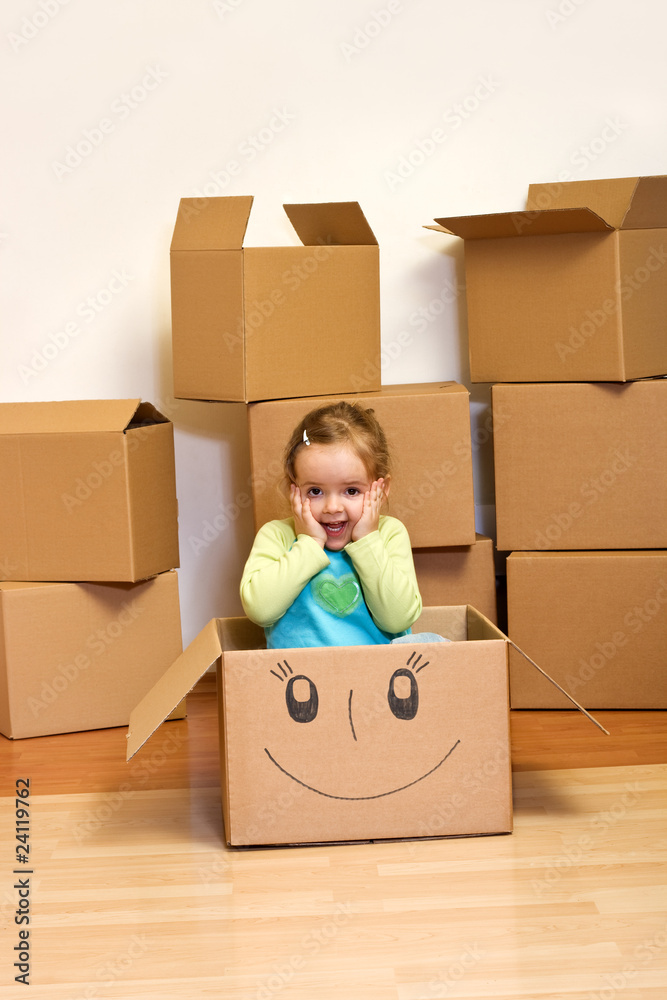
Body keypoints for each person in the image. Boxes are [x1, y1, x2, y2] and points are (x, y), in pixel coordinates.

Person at [240, 400, 424, 649]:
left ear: (381, 490)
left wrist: (368, 541)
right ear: (292, 490)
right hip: (301, 672)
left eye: (351, 490)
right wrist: (309, 543)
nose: (333, 507)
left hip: (375, 671)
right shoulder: (277, 536)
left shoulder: (389, 534)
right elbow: (260, 611)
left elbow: (397, 619)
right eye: (315, 491)